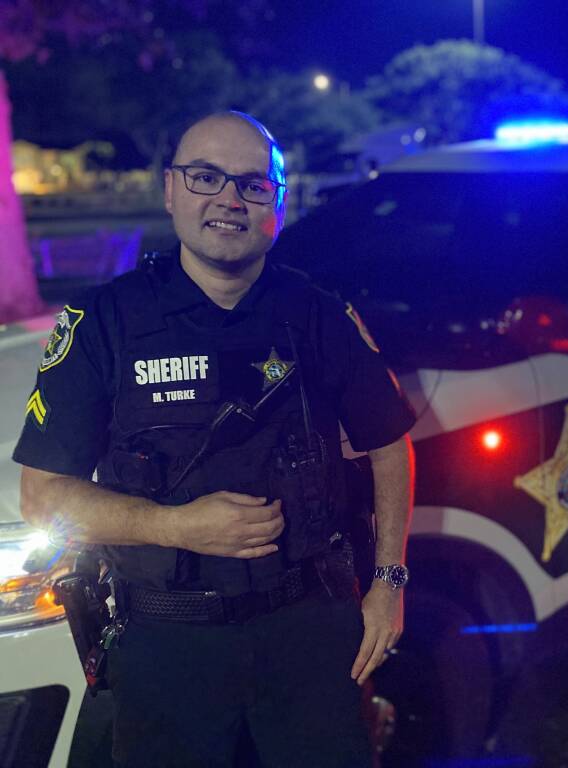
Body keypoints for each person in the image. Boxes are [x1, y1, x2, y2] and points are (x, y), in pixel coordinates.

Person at [14, 111, 416, 767]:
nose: (229, 199)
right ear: (171, 189)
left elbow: (390, 443)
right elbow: (42, 498)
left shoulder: (317, 313)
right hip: (167, 643)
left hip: (310, 632)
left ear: (277, 206)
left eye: (253, 185)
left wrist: (389, 583)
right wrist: (176, 527)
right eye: (206, 177)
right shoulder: (103, 324)